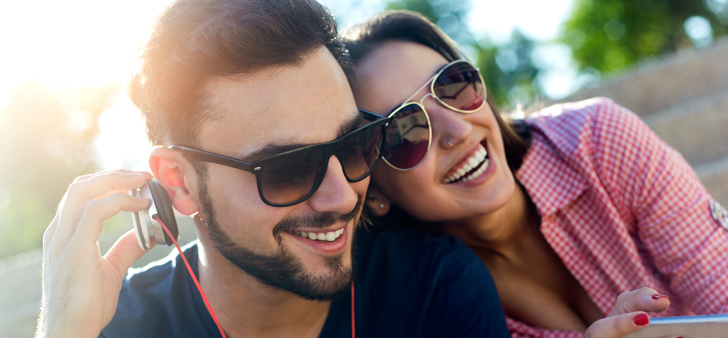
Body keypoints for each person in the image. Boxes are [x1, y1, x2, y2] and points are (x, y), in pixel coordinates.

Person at [35, 1, 512, 337]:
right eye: (289, 168)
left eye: (353, 145)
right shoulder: (115, 326)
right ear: (179, 182)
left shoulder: (432, 288)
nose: (342, 197)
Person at [343, 10, 728, 338]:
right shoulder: (428, 302)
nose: (457, 128)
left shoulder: (597, 139)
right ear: (374, 192)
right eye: (405, 130)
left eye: (452, 85)